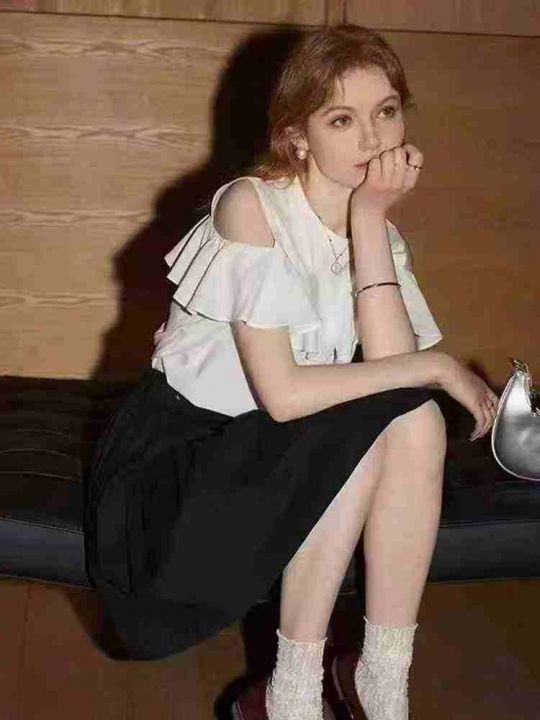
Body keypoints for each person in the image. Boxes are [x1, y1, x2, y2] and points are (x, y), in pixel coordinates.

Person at [83, 23, 500, 720]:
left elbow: (396, 387)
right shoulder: (250, 207)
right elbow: (283, 396)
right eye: (341, 119)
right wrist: (437, 366)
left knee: (415, 422)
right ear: (297, 137)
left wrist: (370, 219)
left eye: (386, 112)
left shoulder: (377, 229)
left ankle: (382, 676)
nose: (372, 138)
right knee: (358, 430)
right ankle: (295, 690)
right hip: (182, 468)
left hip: (274, 452)